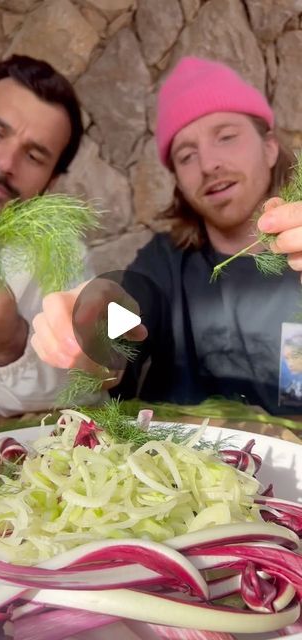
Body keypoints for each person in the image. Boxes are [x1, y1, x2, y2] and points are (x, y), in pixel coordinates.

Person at [31, 56, 302, 416]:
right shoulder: (165, 263)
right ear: (178, 180)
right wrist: (96, 326)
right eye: (186, 156)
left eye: (226, 137)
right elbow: (131, 303)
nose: (208, 164)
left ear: (269, 149)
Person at [0, 54, 88, 415]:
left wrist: (9, 344)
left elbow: (85, 390)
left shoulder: (67, 261)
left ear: (51, 181)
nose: (5, 165)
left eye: (35, 156)